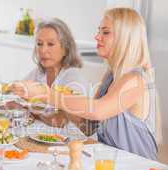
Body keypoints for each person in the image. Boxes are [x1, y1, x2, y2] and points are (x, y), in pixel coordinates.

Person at [10, 8, 159, 160]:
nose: (97, 37)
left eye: (105, 32)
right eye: (99, 31)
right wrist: (66, 104)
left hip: (138, 168)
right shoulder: (111, 77)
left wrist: (44, 93)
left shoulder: (135, 80)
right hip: (113, 161)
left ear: (126, 37)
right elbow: (90, 127)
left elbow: (97, 110)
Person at [7, 18, 88, 128]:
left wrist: (32, 111)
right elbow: (14, 100)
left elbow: (59, 121)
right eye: (39, 44)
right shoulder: (39, 72)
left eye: (50, 44)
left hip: (68, 139)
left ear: (65, 48)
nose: (43, 50)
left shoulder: (73, 76)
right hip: (42, 133)